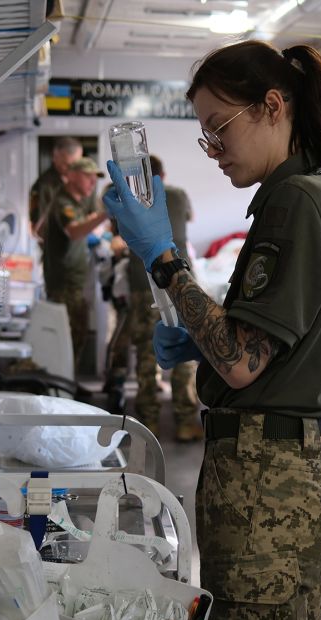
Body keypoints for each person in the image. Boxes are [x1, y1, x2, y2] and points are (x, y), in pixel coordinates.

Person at [103, 41, 321, 620]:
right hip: (286, 482)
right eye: (204, 133)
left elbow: (243, 361)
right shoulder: (303, 195)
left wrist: (164, 261)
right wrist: (201, 336)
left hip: (270, 492)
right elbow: (260, 343)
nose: (213, 147)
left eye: (220, 126)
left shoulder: (297, 205)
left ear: (273, 107)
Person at [104, 156, 203, 442]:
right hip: (180, 278)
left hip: (142, 280)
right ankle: (185, 421)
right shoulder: (178, 195)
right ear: (162, 176)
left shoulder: (128, 203)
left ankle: (148, 424)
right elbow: (189, 218)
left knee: (147, 353)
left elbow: (117, 237)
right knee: (185, 350)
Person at [42, 157, 110, 369]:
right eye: (87, 176)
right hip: (65, 283)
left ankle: (67, 381)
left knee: (75, 335)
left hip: (72, 281)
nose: (92, 182)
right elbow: (74, 231)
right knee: (69, 337)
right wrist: (106, 213)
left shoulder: (75, 204)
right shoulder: (64, 203)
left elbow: (39, 229)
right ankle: (62, 384)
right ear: (71, 176)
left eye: (94, 178)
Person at [28, 136, 85, 242]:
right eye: (66, 165)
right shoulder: (43, 185)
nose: (70, 170)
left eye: (75, 165)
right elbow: (36, 228)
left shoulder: (80, 181)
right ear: (55, 157)